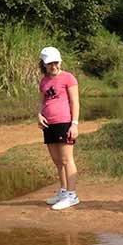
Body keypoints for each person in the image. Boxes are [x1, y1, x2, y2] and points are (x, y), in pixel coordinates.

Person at [37, 46, 80, 210]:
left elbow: (75, 102)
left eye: (56, 62)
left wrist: (74, 124)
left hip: (64, 123)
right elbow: (42, 102)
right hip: (48, 124)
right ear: (44, 64)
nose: (53, 66)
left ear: (60, 61)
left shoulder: (68, 78)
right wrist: (39, 115)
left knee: (67, 159)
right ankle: (63, 191)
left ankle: (71, 195)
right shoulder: (44, 81)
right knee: (57, 161)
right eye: (50, 64)